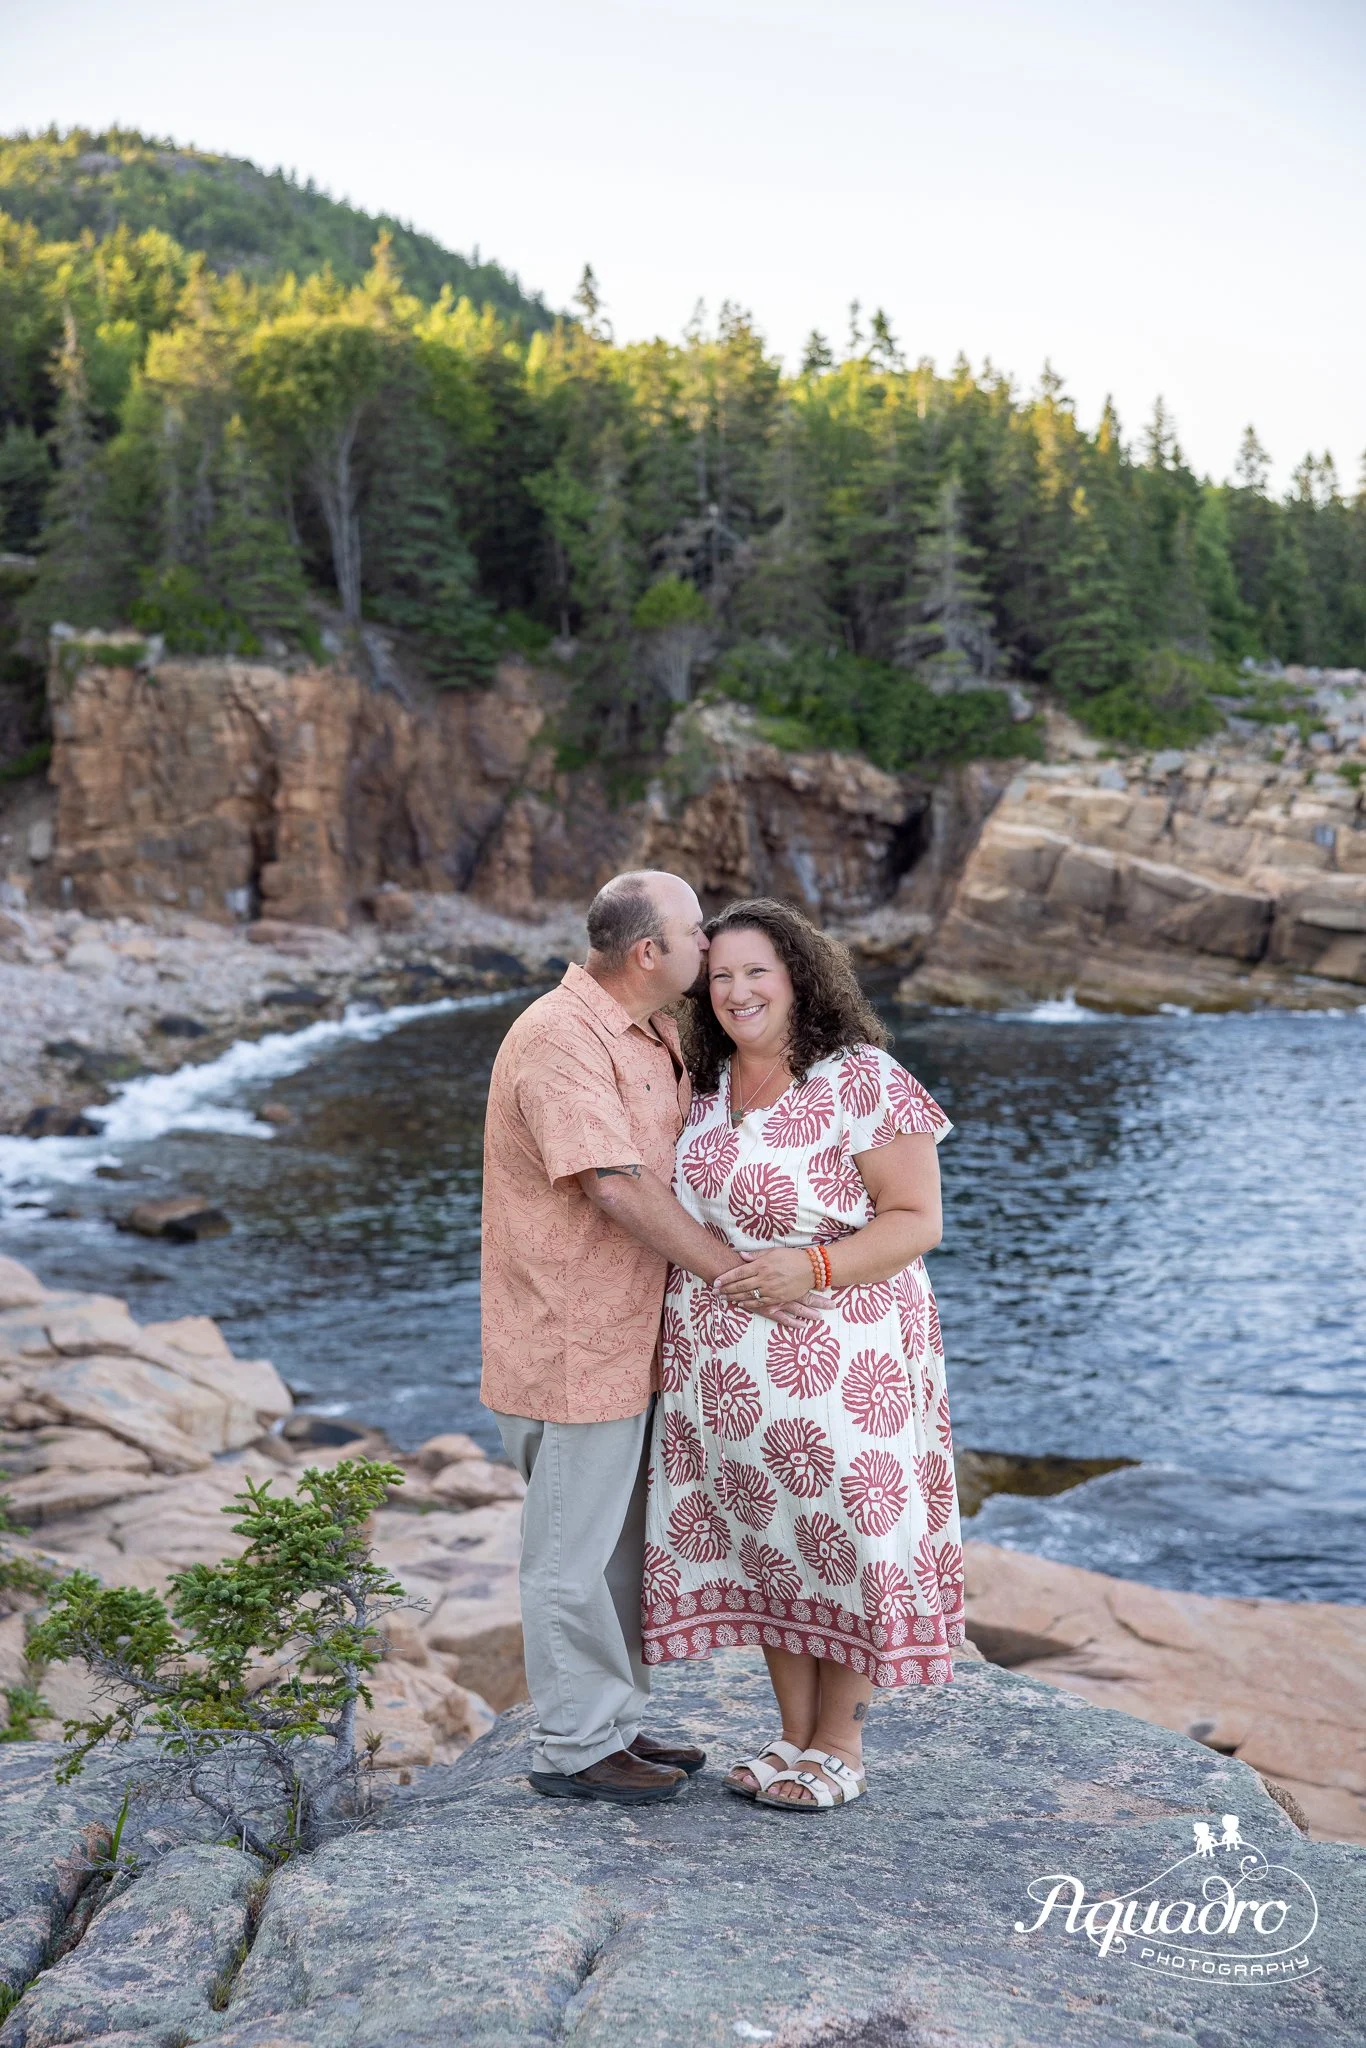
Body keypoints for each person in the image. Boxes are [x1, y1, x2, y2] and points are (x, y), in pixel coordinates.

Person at [480, 870, 816, 1806]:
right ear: (649, 953)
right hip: (569, 1341)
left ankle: (615, 1724)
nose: (710, 948)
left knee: (620, 1547)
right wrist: (730, 1273)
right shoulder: (559, 1038)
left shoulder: (654, 1029)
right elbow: (615, 1184)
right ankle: (574, 1748)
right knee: (568, 1553)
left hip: (636, 1339)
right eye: (698, 933)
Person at [641, 897, 963, 1813]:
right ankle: (791, 1737)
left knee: (849, 1538)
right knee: (774, 1548)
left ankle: (842, 1746)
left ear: (799, 978)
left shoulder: (862, 1078)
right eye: (721, 977)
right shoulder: (703, 1089)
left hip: (842, 1353)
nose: (738, 991)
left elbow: (917, 1221)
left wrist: (811, 1266)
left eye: (758, 972)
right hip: (726, 1371)